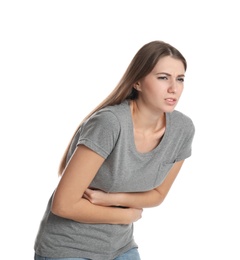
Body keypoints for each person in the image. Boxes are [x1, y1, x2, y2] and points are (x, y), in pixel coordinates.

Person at [34, 40, 195, 260]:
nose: (173, 88)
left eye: (180, 79)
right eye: (163, 77)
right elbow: (62, 205)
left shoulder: (182, 130)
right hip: (69, 248)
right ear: (137, 82)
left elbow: (157, 195)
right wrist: (125, 215)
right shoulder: (110, 123)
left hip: (120, 247)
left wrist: (110, 198)